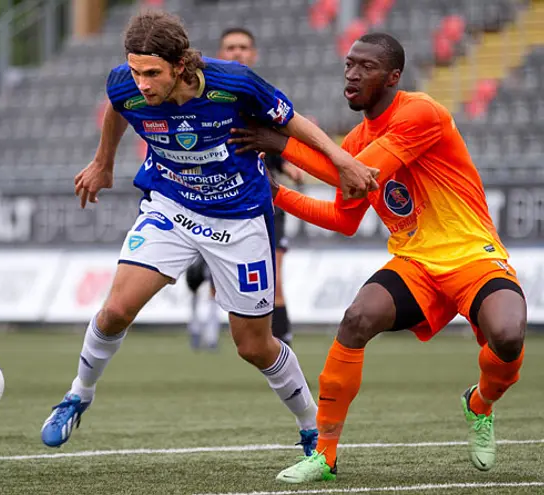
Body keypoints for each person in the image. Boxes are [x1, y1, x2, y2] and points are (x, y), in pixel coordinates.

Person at [40, 11, 378, 453]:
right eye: (136, 70)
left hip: (240, 219)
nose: (141, 83)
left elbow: (294, 121)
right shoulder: (125, 84)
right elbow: (117, 110)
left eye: (152, 73)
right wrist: (104, 163)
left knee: (254, 347)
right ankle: (77, 395)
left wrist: (344, 162)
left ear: (180, 66)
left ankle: (311, 425)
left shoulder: (234, 83)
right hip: (171, 207)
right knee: (115, 310)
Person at [229, 32, 526, 483]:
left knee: (506, 335)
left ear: (393, 76)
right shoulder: (353, 141)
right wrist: (278, 194)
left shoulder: (419, 112)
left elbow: (356, 173)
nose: (351, 74)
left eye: (365, 66)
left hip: (472, 256)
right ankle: (324, 455)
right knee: (356, 320)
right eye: (349, 64)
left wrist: (281, 143)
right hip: (414, 263)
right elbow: (344, 219)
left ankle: (479, 403)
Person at [185, 27, 304, 350]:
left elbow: (275, 139)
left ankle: (285, 358)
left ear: (254, 54)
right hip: (214, 199)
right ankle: (205, 315)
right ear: (219, 55)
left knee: (274, 280)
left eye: (243, 47)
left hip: (264, 199)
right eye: (230, 48)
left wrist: (288, 165)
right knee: (214, 278)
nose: (237, 53)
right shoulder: (204, 98)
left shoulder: (263, 95)